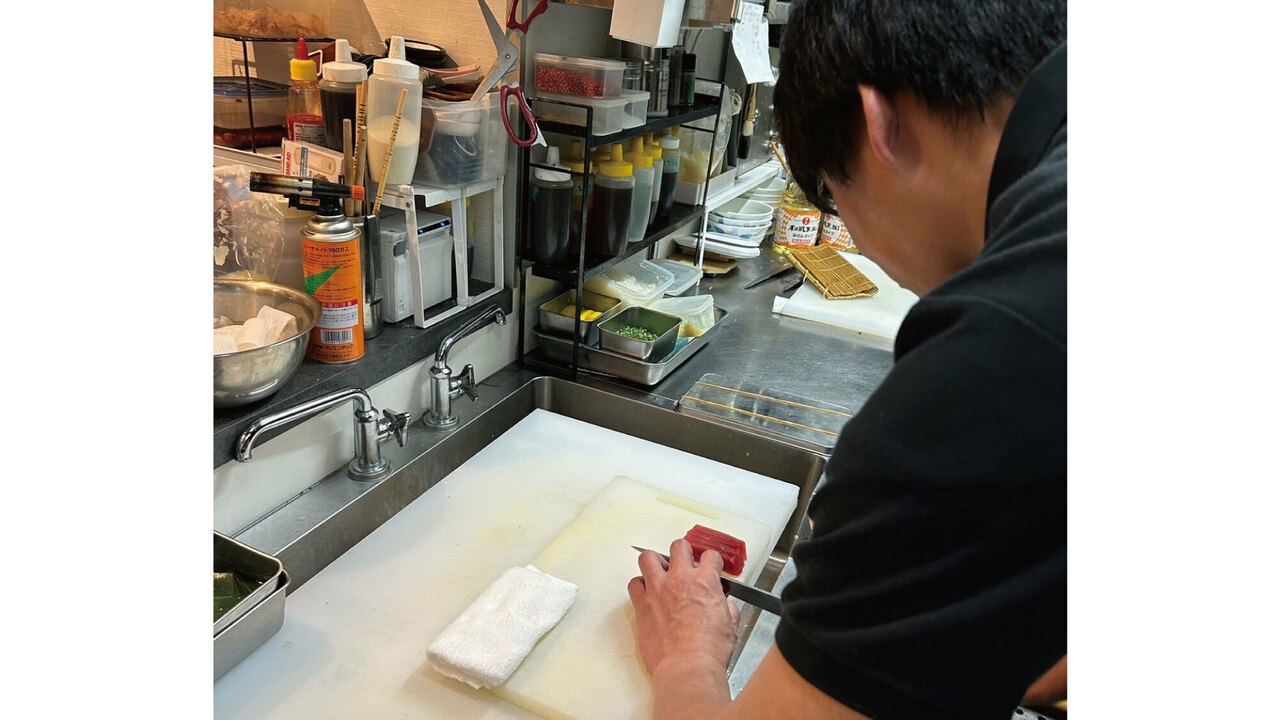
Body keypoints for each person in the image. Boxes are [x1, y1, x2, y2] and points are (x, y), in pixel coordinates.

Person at [627, 1, 1067, 718]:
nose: (855, 239)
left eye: (834, 193)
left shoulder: (989, 364)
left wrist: (688, 656)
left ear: (880, 125)